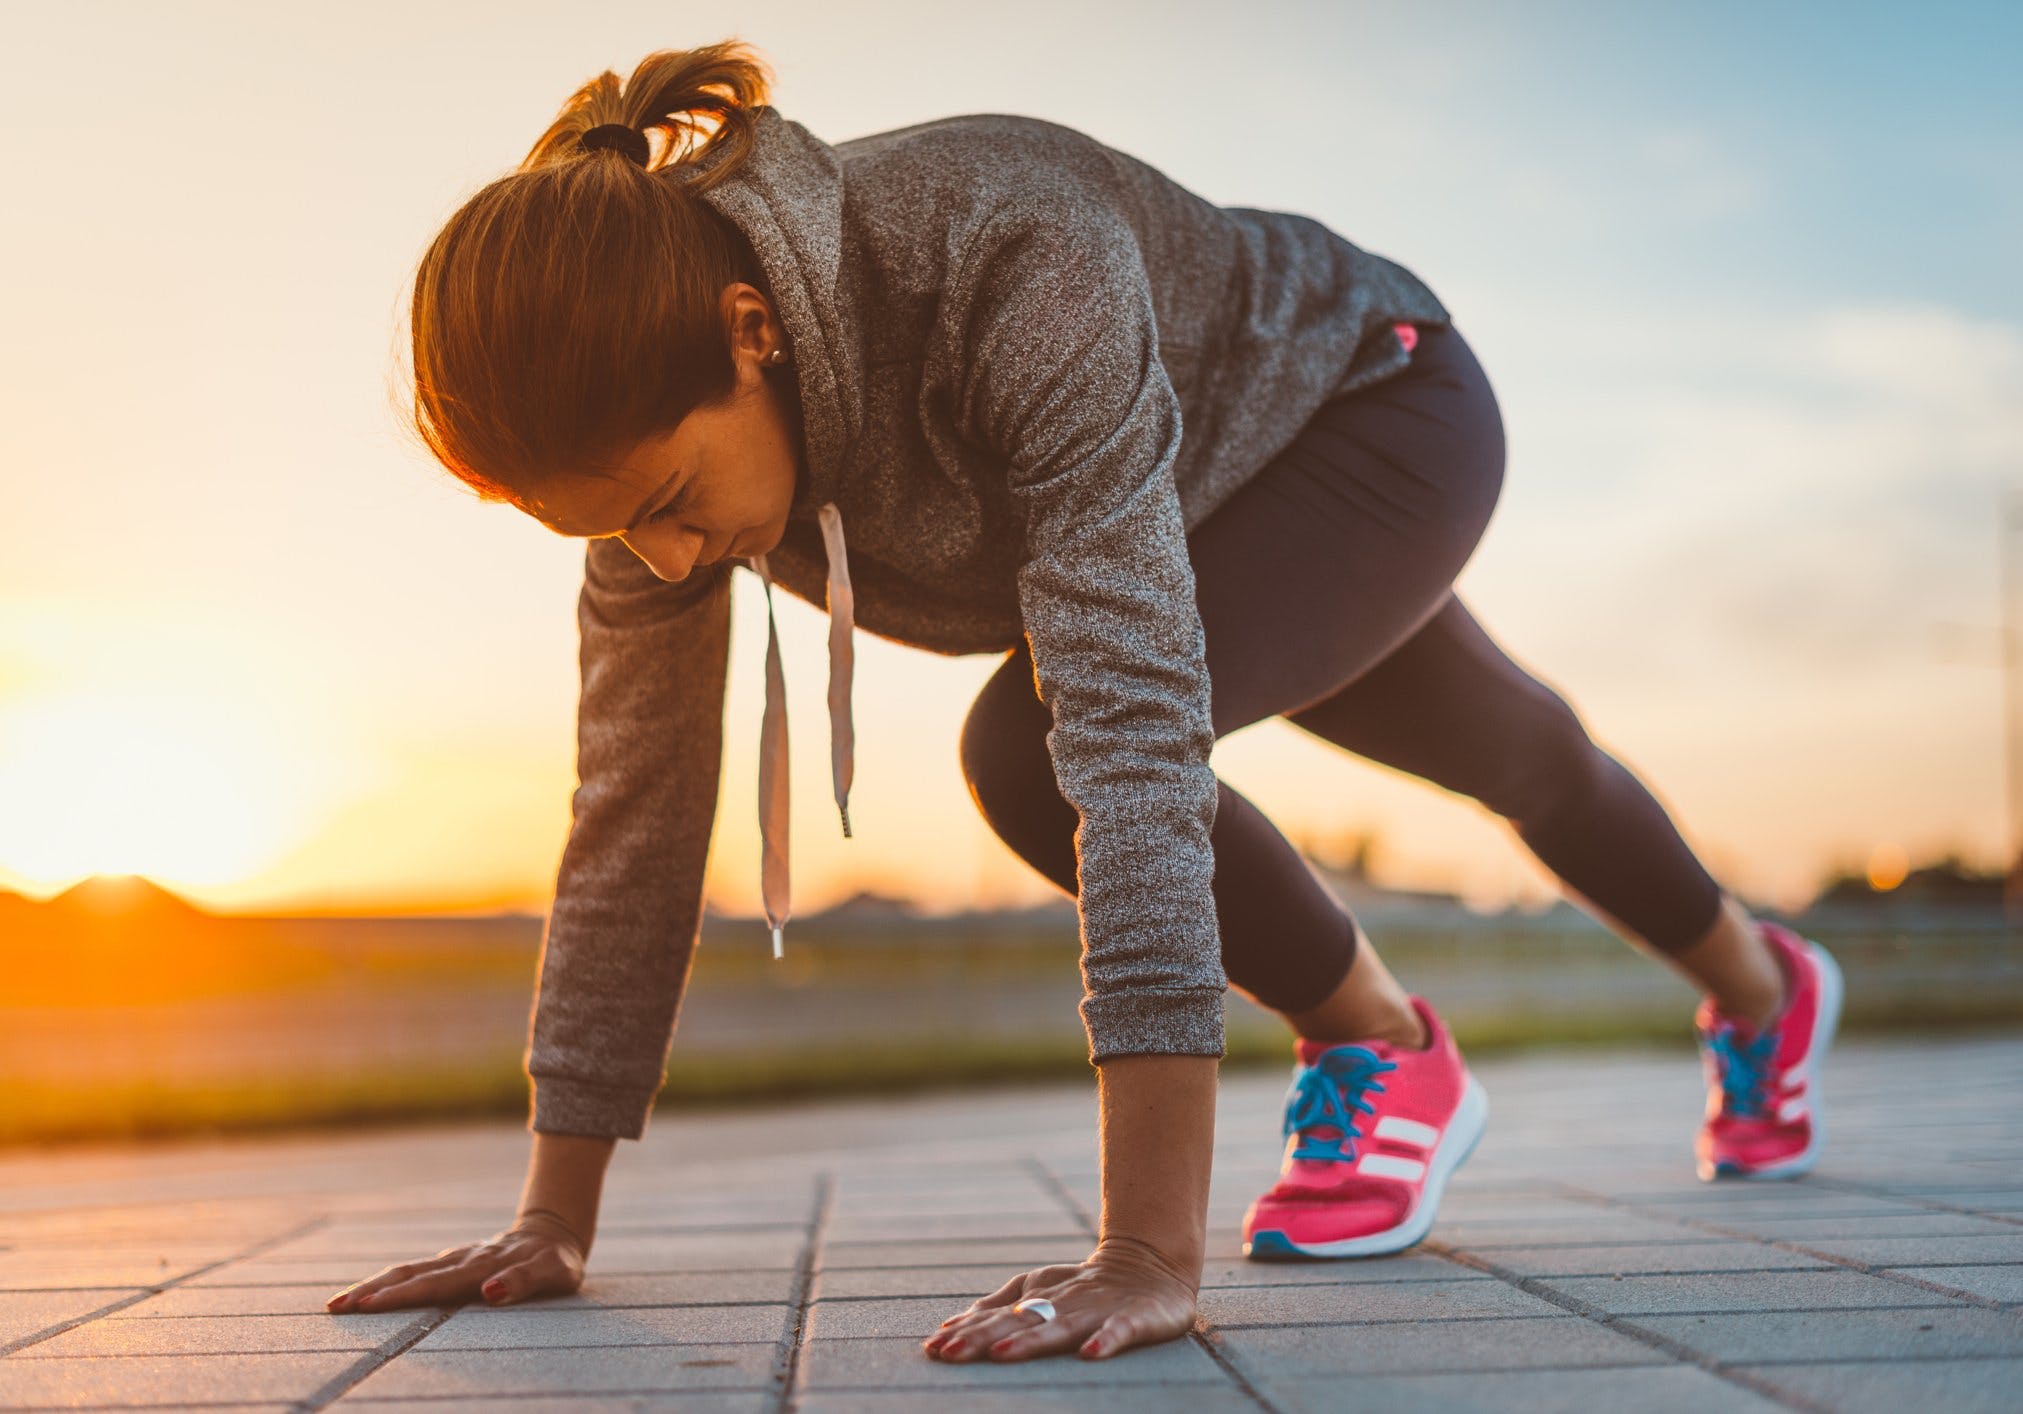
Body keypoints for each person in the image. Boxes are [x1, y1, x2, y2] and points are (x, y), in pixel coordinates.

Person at [325, 39, 1843, 1363]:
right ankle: (1770, 992)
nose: (664, 556)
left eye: (667, 497)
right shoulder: (646, 478)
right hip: (1186, 494)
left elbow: (1124, 732)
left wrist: (1146, 1250)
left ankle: (1381, 1042)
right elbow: (630, 819)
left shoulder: (1002, 250)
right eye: (612, 532)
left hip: (1368, 410)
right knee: (1518, 742)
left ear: (748, 329)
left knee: (1049, 744)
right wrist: (553, 1217)